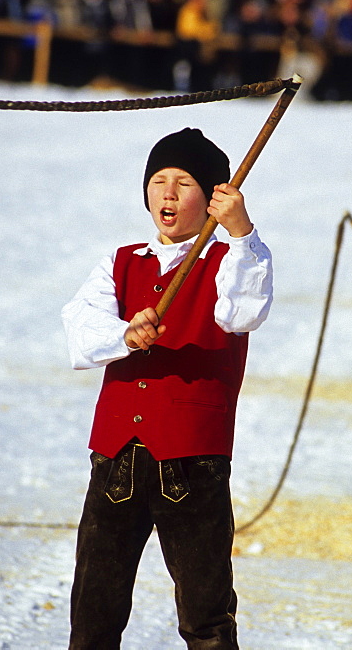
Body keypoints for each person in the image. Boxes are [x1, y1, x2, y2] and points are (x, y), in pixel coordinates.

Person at [61, 128, 273, 649]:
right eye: (158, 181)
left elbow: (243, 311)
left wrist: (242, 232)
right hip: (115, 457)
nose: (169, 194)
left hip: (192, 460)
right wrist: (124, 333)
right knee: (94, 611)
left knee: (205, 615)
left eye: (184, 183)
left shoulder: (231, 261)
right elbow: (80, 329)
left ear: (214, 197)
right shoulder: (121, 260)